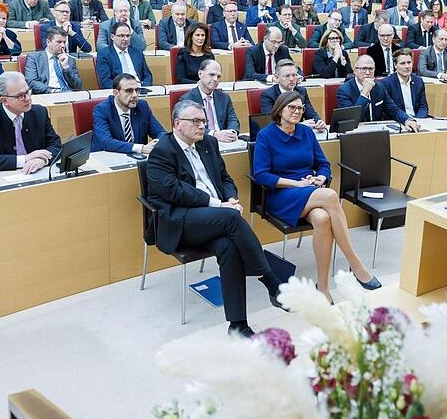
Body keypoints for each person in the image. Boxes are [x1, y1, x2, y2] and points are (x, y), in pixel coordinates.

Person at [147, 99, 284, 336]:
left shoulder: (208, 143)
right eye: (196, 121)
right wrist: (218, 205)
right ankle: (271, 281)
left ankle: (238, 324)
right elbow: (174, 192)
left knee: (228, 247)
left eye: (204, 121)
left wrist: (230, 198)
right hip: (180, 220)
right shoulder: (162, 151)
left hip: (214, 217)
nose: (202, 126)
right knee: (232, 220)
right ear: (177, 123)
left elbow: (224, 178)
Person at [253, 91, 382, 303]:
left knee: (322, 219)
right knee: (331, 196)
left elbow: (323, 165)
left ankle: (322, 286)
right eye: (291, 107)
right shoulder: (266, 135)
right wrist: (298, 183)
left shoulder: (306, 132)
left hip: (311, 191)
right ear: (280, 109)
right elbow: (261, 175)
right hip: (281, 195)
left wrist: (320, 179)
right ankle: (356, 264)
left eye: (300, 108)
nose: (297, 112)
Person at [0, 71, 62, 175]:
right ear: (4, 100)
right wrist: (25, 159)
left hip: (38, 173)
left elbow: (56, 145)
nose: (28, 98)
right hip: (4, 176)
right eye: (20, 96)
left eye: (28, 92)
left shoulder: (39, 112)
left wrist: (42, 160)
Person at [91, 73, 166, 154]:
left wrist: (156, 144)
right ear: (116, 93)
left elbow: (160, 132)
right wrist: (141, 148)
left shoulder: (142, 106)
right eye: (129, 91)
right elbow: (106, 142)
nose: (135, 95)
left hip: (136, 159)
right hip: (107, 158)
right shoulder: (102, 110)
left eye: (136, 90)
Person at [179, 60, 239, 142]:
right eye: (211, 75)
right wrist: (214, 134)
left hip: (224, 140)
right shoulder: (187, 99)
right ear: (200, 74)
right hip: (200, 141)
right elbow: (191, 127)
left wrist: (231, 132)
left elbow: (233, 119)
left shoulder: (224, 97)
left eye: (218, 76)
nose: (215, 79)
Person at [336, 55, 407, 123]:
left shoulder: (380, 87)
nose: (367, 73)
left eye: (370, 69)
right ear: (355, 71)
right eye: (364, 69)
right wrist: (365, 92)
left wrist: (407, 120)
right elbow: (351, 119)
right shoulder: (344, 91)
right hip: (355, 131)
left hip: (376, 129)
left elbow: (393, 110)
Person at [259, 60, 325, 131]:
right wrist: (299, 125)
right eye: (287, 76)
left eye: (294, 75)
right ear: (277, 78)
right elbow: (271, 122)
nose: (291, 79)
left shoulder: (301, 91)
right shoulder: (268, 95)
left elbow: (310, 113)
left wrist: (318, 122)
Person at [25, 27, 83, 93]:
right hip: (46, 95)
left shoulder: (69, 59)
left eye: (64, 42)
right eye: (59, 42)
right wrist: (53, 91)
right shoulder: (34, 57)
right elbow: (31, 82)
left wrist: (66, 68)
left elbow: (78, 86)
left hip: (69, 94)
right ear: (48, 42)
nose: (63, 45)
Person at [378, 48, 429, 123]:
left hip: (418, 120)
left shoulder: (418, 81)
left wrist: (418, 120)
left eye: (409, 62)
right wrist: (407, 121)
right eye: (403, 63)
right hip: (398, 121)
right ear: (395, 65)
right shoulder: (386, 83)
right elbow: (389, 111)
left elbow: (423, 106)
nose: (407, 66)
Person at [96, 22, 153, 89]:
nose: (126, 39)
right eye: (122, 36)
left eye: (128, 36)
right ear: (112, 37)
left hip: (139, 89)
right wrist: (124, 90)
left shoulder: (137, 52)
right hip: (119, 91)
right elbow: (105, 81)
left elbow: (148, 76)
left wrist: (144, 87)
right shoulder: (104, 54)